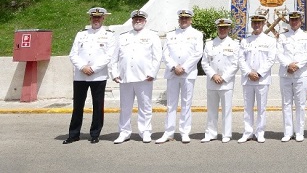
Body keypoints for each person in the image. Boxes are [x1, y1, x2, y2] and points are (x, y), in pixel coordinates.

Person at [64, 7, 116, 144]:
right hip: (80, 76)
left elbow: (108, 56)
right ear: (90, 18)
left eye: (99, 17)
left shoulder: (109, 35)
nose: (96, 20)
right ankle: (74, 134)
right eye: (94, 17)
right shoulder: (81, 34)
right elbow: (73, 54)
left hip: (98, 76)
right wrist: (82, 67)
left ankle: (95, 134)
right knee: (78, 106)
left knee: (97, 106)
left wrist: (93, 68)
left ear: (103, 19)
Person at [111, 10, 162, 144]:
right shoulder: (123, 36)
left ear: (145, 21)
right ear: (132, 21)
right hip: (125, 77)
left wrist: (153, 73)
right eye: (135, 19)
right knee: (125, 107)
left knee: (145, 106)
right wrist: (114, 73)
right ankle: (124, 132)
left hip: (144, 77)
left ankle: (145, 131)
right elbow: (114, 57)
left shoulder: (152, 36)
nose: (138, 21)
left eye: (140, 19)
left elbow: (157, 57)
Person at [156, 9, 204, 144]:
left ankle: (184, 132)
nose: (184, 21)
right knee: (171, 104)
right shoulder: (171, 35)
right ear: (179, 20)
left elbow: (198, 53)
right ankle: (168, 132)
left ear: (191, 20)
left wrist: (184, 67)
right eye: (181, 19)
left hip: (187, 74)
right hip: (172, 73)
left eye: (186, 19)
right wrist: (174, 67)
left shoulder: (197, 34)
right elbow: (165, 54)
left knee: (186, 103)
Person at [238, 9, 277, 143]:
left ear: (264, 23)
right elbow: (241, 59)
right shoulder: (245, 41)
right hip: (248, 79)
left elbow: (271, 59)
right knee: (247, 107)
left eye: (259, 23)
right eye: (254, 23)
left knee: (261, 108)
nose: (256, 25)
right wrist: (249, 72)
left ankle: (260, 132)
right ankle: (248, 132)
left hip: (262, 79)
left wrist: (259, 73)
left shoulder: (270, 41)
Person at [200, 17, 239, 143]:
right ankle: (210, 133)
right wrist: (213, 75)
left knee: (226, 109)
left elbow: (235, 64)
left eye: (225, 28)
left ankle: (226, 134)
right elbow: (205, 63)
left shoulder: (234, 44)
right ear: (217, 28)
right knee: (211, 109)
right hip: (212, 81)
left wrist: (224, 77)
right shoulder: (210, 44)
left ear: (228, 29)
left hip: (226, 82)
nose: (222, 30)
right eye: (220, 28)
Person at [277, 10, 307, 142]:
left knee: (300, 104)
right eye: (292, 20)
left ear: (300, 21)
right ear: (289, 21)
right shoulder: (282, 37)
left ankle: (299, 132)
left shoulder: (306, 35)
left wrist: (296, 66)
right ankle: (287, 132)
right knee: (286, 103)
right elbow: (279, 53)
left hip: (300, 74)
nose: (294, 22)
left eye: (296, 20)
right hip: (286, 73)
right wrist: (288, 65)